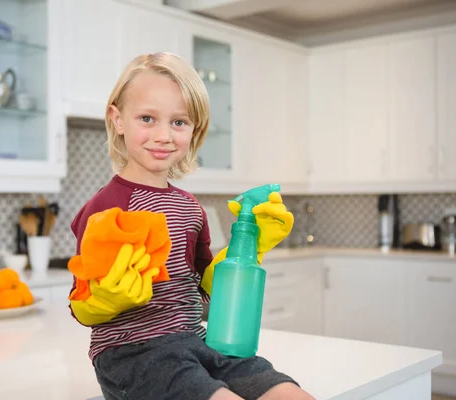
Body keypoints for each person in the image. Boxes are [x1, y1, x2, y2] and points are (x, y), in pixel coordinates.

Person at [69, 52, 315, 400]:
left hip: (198, 342)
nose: (164, 135)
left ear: (194, 129)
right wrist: (104, 300)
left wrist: (245, 251)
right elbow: (80, 303)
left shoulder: (189, 207)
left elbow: (201, 295)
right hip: (134, 355)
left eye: (179, 122)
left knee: (292, 395)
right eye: (147, 118)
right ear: (118, 119)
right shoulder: (104, 207)